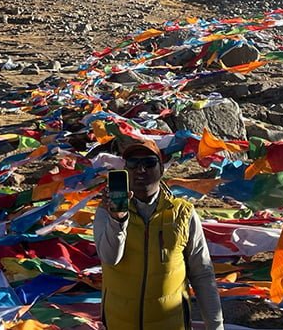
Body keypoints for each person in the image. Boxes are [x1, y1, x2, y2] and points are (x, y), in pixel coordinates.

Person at [94, 139, 224, 330]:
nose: (140, 170)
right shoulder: (106, 211)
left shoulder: (183, 213)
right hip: (119, 322)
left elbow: (202, 273)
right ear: (125, 171)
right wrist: (118, 220)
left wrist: (216, 326)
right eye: (133, 164)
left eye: (149, 163)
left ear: (161, 169)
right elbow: (110, 257)